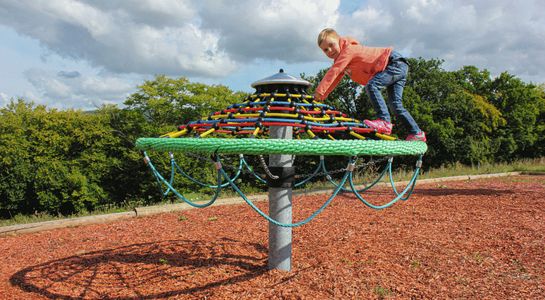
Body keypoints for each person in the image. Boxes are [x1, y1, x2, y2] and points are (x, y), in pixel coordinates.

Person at [314, 28, 426, 141]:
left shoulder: (348, 50)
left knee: (372, 85)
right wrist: (323, 96)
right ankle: (417, 133)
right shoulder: (342, 59)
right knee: (396, 105)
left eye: (331, 45)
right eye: (325, 50)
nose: (330, 50)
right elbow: (335, 79)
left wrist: (319, 92)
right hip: (397, 66)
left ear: (339, 40)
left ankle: (384, 121)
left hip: (393, 63)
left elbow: (335, 70)